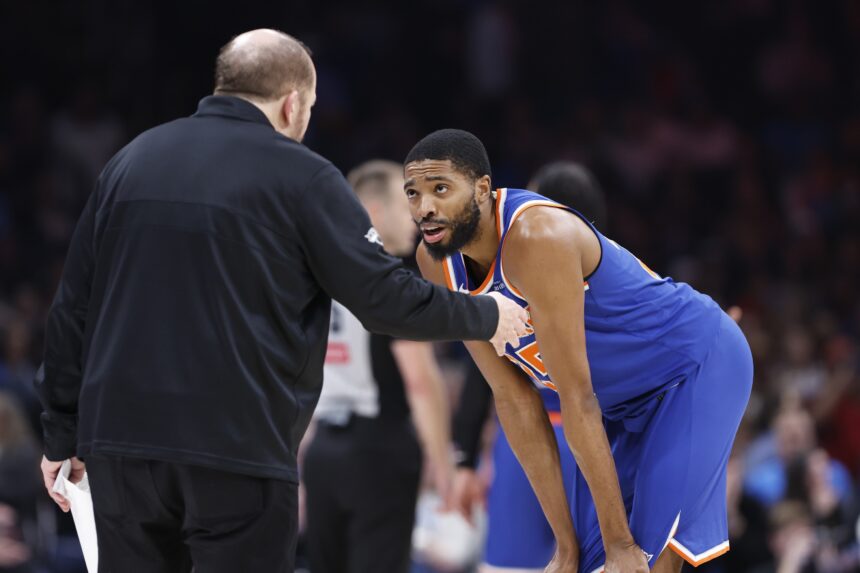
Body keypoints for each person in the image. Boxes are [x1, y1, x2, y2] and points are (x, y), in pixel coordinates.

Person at [33, 33, 529, 573]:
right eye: (310, 109)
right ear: (292, 102)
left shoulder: (128, 162)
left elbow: (71, 310)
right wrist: (488, 314)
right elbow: (385, 301)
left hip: (121, 448)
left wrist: (61, 434)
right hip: (236, 451)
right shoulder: (303, 176)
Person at [405, 129, 753, 573]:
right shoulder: (435, 263)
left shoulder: (537, 237)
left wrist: (621, 547)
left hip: (694, 369)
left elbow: (578, 398)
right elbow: (512, 398)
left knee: (639, 561)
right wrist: (566, 548)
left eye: (440, 189)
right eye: (413, 193)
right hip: (623, 404)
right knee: (588, 563)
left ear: (482, 189)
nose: (425, 208)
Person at [449, 162, 606, 572]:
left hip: (527, 441)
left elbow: (481, 375)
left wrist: (464, 460)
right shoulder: (617, 275)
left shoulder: (508, 273)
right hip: (598, 441)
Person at [302, 160, 455, 573]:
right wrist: (443, 465)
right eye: (405, 203)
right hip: (379, 451)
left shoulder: (317, 274)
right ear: (372, 213)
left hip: (322, 454)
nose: (418, 218)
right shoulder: (390, 279)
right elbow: (420, 380)